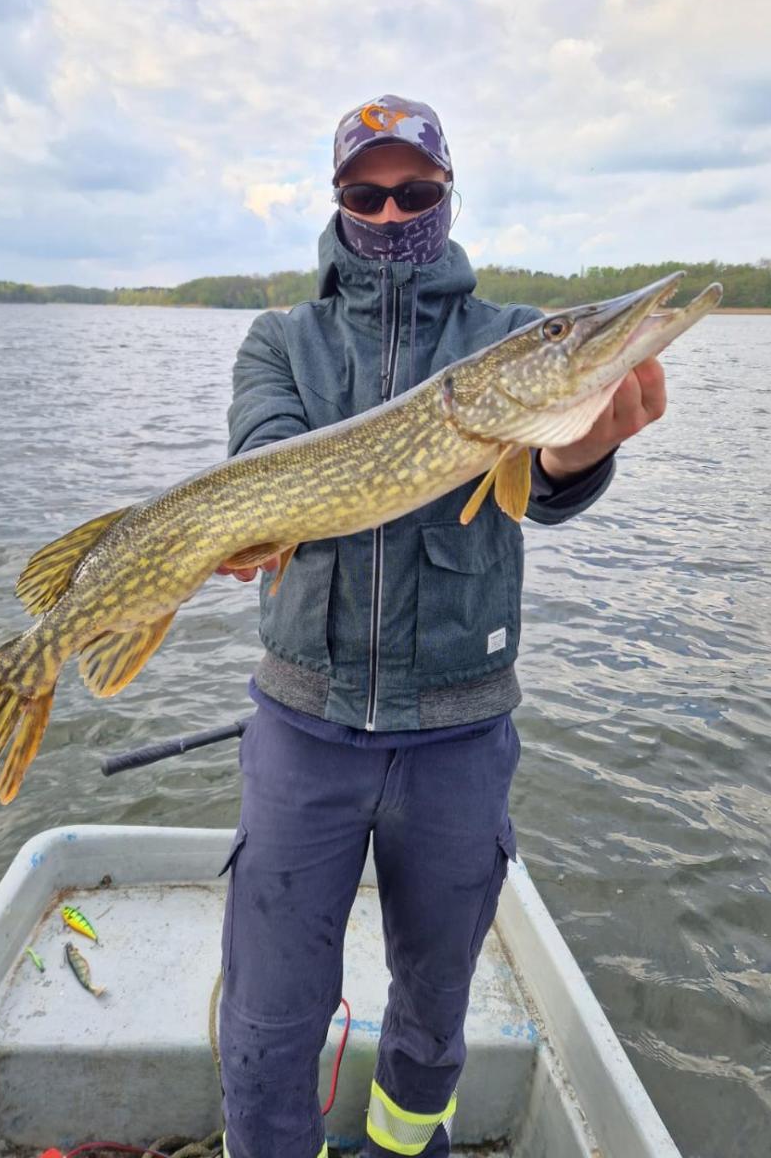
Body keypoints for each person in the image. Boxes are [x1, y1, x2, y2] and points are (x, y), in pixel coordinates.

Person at [214, 95, 666, 1158]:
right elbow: (267, 456)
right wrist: (247, 522)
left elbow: (544, 484)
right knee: (270, 1019)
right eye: (366, 194)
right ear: (337, 203)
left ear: (448, 194)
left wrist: (571, 451)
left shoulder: (506, 341)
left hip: (458, 737)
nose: (390, 210)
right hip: (305, 728)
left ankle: (404, 1147)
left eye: (414, 191)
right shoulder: (278, 340)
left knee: (433, 1009)